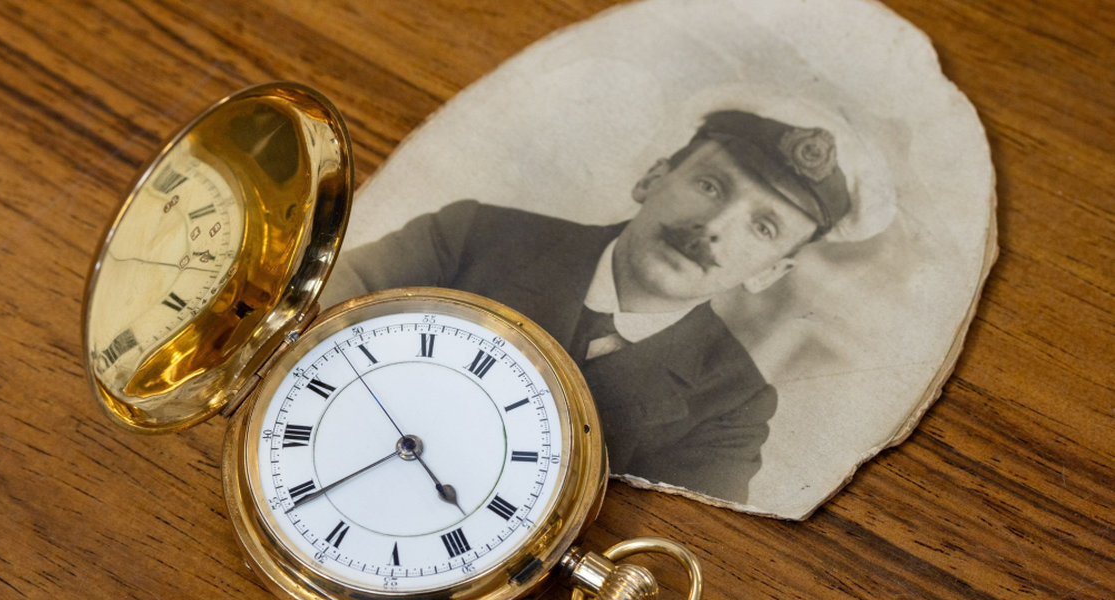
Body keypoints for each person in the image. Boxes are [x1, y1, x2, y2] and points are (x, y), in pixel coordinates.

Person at [322, 109, 890, 504]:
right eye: (712, 187)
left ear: (772, 271)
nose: (711, 229)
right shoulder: (476, 234)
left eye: (763, 227)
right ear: (654, 177)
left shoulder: (733, 410)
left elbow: (655, 545)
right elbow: (312, 326)